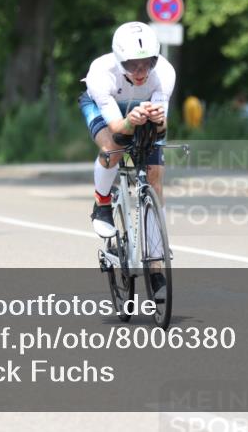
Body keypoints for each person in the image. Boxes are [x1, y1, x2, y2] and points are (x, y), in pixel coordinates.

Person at [79, 22, 175, 299]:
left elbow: (162, 129)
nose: (141, 72)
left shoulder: (164, 73)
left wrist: (157, 122)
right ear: (120, 61)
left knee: (155, 174)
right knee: (114, 147)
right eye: (133, 65)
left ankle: (156, 265)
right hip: (104, 107)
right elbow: (119, 130)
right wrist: (131, 122)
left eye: (147, 63)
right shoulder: (101, 74)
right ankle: (102, 203)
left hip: (141, 109)